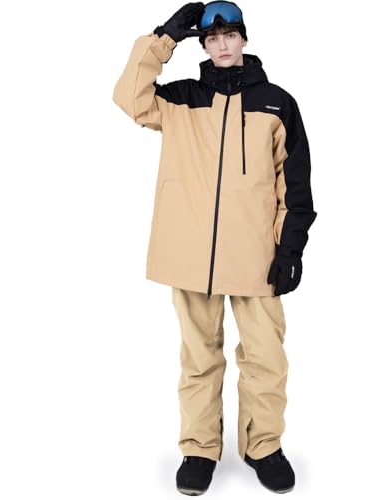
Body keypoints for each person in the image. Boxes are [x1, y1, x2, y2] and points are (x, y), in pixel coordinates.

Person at [112, 1, 317, 495]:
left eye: (230, 35)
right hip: (190, 256)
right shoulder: (180, 100)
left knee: (266, 358)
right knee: (199, 358)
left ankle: (263, 446)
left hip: (255, 256)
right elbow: (129, 97)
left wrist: (290, 249)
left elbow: (295, 182)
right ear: (202, 45)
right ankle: (200, 449)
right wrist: (162, 38)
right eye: (212, 38)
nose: (222, 45)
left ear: (244, 38)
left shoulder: (277, 103)